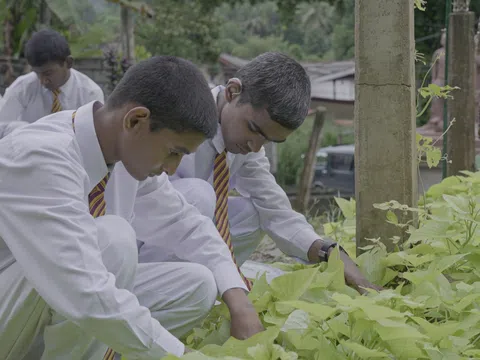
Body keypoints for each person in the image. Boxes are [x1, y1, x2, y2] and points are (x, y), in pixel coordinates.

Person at [0, 55, 262, 360]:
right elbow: (85, 289)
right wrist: (182, 355)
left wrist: (238, 298)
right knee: (113, 242)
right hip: (13, 315)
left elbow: (188, 224)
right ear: (135, 120)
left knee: (199, 285)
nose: (172, 167)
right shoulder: (43, 156)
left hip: (49, 305)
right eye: (174, 152)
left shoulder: (123, 154)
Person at [138, 52, 382, 294]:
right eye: (253, 129)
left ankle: (209, 289)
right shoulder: (180, 112)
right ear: (233, 92)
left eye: (267, 140)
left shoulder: (247, 146)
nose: (255, 146)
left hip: (182, 234)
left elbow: (275, 210)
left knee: (254, 212)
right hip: (135, 239)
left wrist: (330, 252)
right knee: (199, 196)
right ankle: (158, 294)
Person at [0, 28, 104, 123]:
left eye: (48, 73)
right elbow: (3, 125)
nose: (42, 81)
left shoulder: (90, 94)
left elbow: (94, 136)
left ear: (68, 63)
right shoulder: (22, 88)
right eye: (37, 73)